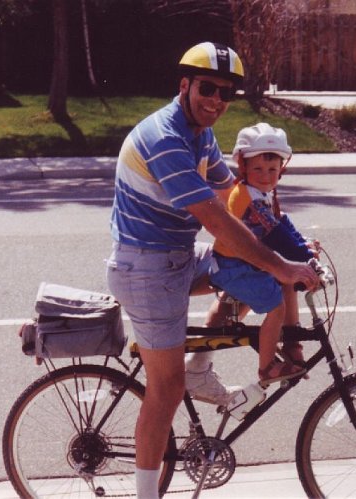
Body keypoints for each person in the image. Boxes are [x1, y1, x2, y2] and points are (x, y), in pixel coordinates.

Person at [106, 42, 318, 499]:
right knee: (166, 387)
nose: (217, 100)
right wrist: (281, 264)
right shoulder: (166, 139)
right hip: (147, 268)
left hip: (176, 256)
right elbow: (217, 217)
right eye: (208, 88)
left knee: (250, 271)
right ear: (184, 86)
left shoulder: (199, 132)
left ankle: (202, 367)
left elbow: (234, 194)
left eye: (227, 93)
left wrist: (290, 247)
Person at [209, 123, 316, 386]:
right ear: (243, 167)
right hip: (235, 265)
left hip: (246, 261)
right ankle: (266, 368)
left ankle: (291, 342)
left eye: (273, 169)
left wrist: (304, 246)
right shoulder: (249, 199)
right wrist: (302, 255)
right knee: (276, 308)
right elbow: (274, 233)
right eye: (257, 169)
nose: (266, 175)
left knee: (287, 281)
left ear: (282, 168)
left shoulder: (261, 192)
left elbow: (281, 222)